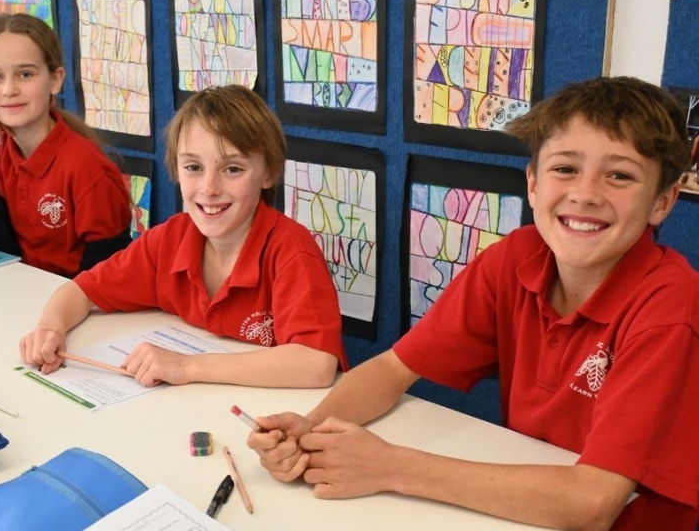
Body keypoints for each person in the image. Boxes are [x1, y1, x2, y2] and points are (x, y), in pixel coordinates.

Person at [248, 77, 699, 530]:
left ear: (662, 201)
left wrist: (391, 467)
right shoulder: (516, 258)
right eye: (565, 169)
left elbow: (594, 501)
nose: (585, 193)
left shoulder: (670, 308)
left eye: (619, 175)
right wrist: (312, 428)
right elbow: (392, 369)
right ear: (534, 185)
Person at [19, 85, 348, 388]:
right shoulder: (170, 239)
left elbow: (316, 363)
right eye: (193, 167)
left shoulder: (291, 251)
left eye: (232, 169)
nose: (209, 188)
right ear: (176, 169)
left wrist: (188, 367)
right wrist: (50, 328)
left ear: (269, 173)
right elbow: (82, 290)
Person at [0, 13, 132, 277]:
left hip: (81, 308)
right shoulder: (1, 154)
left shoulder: (87, 169)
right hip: (26, 296)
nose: (9, 89)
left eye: (25, 74)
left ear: (55, 80)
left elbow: (108, 275)